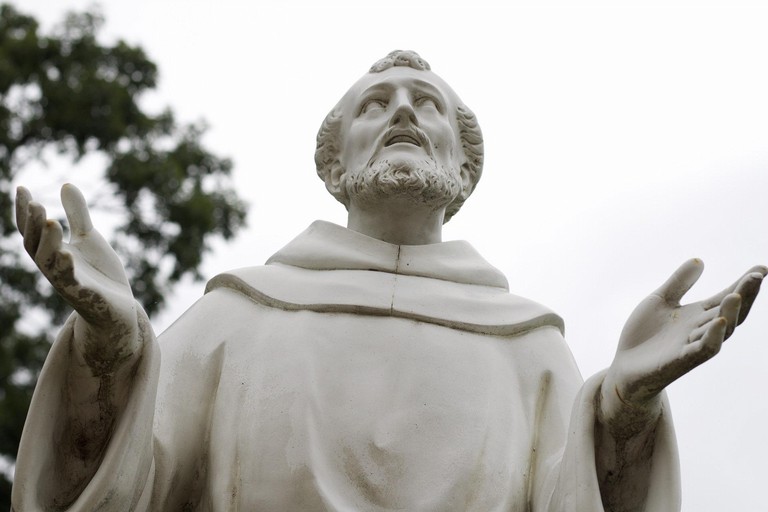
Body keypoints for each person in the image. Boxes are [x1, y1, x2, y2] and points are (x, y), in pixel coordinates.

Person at [12, 50, 765, 511]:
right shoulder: (237, 317)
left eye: (425, 104)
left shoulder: (527, 346)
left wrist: (623, 411)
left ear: (463, 167)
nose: (402, 109)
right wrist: (106, 354)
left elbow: (576, 499)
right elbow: (114, 491)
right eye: (375, 105)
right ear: (335, 164)